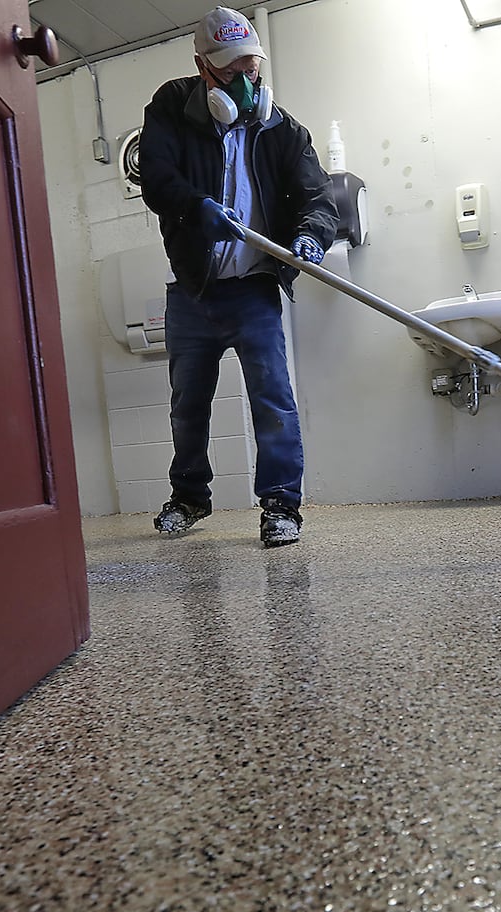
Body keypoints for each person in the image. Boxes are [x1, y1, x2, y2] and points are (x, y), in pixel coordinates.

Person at [136, 6, 338, 548]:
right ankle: (189, 498)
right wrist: (193, 206)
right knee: (188, 406)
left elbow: (317, 199)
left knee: (273, 400)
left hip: (253, 292)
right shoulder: (171, 107)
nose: (246, 83)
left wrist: (311, 237)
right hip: (194, 291)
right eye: (231, 72)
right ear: (203, 67)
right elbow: (156, 176)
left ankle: (280, 506)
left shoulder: (283, 131)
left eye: (253, 70)